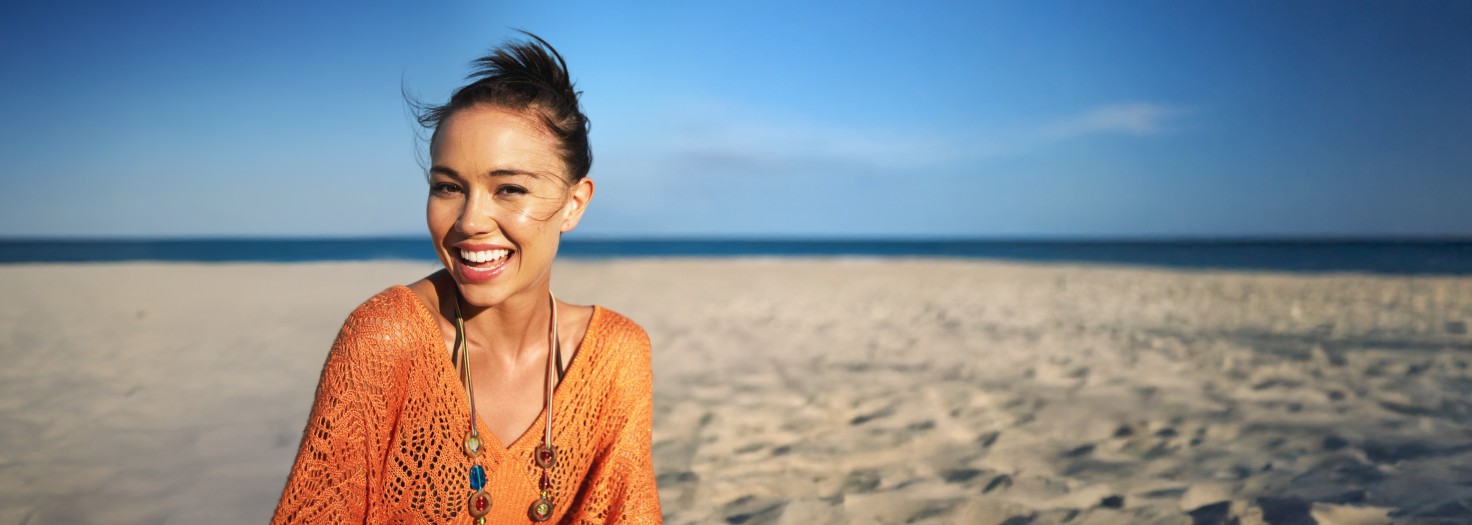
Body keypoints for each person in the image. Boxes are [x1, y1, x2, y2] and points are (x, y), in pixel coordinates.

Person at [271, 33, 662, 524]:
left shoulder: (614, 356)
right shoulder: (387, 339)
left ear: (574, 203)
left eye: (510, 188)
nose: (470, 220)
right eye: (448, 187)